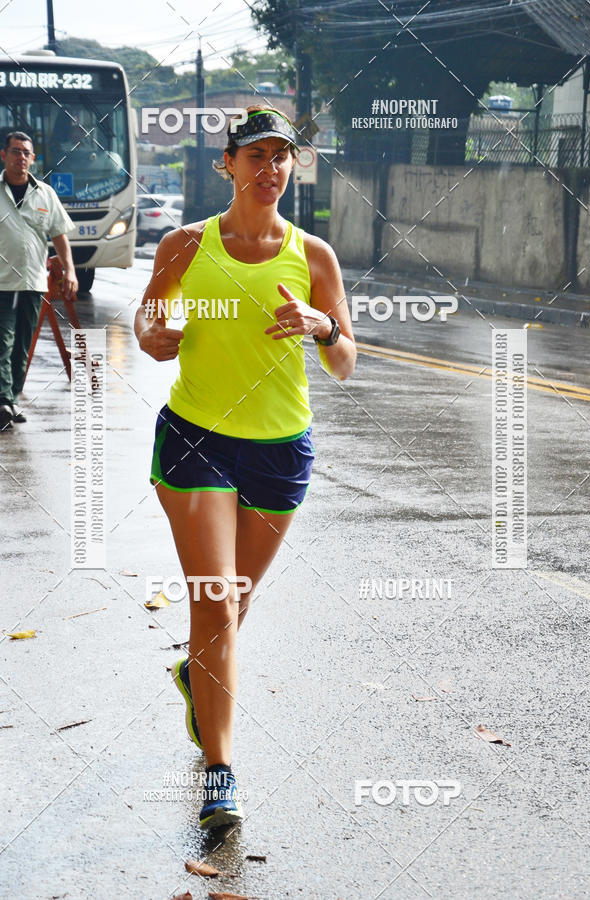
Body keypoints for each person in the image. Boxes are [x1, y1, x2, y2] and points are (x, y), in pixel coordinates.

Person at [134, 105, 356, 829]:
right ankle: (220, 773)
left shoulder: (314, 256)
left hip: (280, 449)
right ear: (226, 164)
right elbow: (148, 317)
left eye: (281, 156)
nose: (270, 168)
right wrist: (154, 335)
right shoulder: (184, 245)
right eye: (255, 155)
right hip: (196, 439)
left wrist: (324, 326)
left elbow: (345, 362)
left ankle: (193, 675)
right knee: (214, 600)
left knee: (232, 606)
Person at [0, 131, 77, 431]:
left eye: (26, 153)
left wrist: (70, 271)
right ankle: (3, 400)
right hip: (2, 282)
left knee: (21, 345)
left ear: (32, 158)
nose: (21, 157)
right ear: (3, 155)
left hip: (33, 281)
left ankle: (11, 400)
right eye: (15, 151)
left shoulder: (45, 193)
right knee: (2, 341)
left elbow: (59, 235)